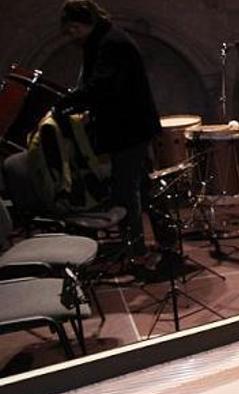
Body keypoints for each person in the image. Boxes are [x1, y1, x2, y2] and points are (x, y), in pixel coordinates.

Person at [56, 0, 162, 266]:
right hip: (131, 127)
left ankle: (135, 251)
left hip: (129, 129)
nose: (71, 37)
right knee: (141, 187)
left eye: (73, 30)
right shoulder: (104, 38)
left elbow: (101, 86)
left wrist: (68, 101)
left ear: (84, 24)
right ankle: (160, 241)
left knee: (127, 191)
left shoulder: (110, 43)